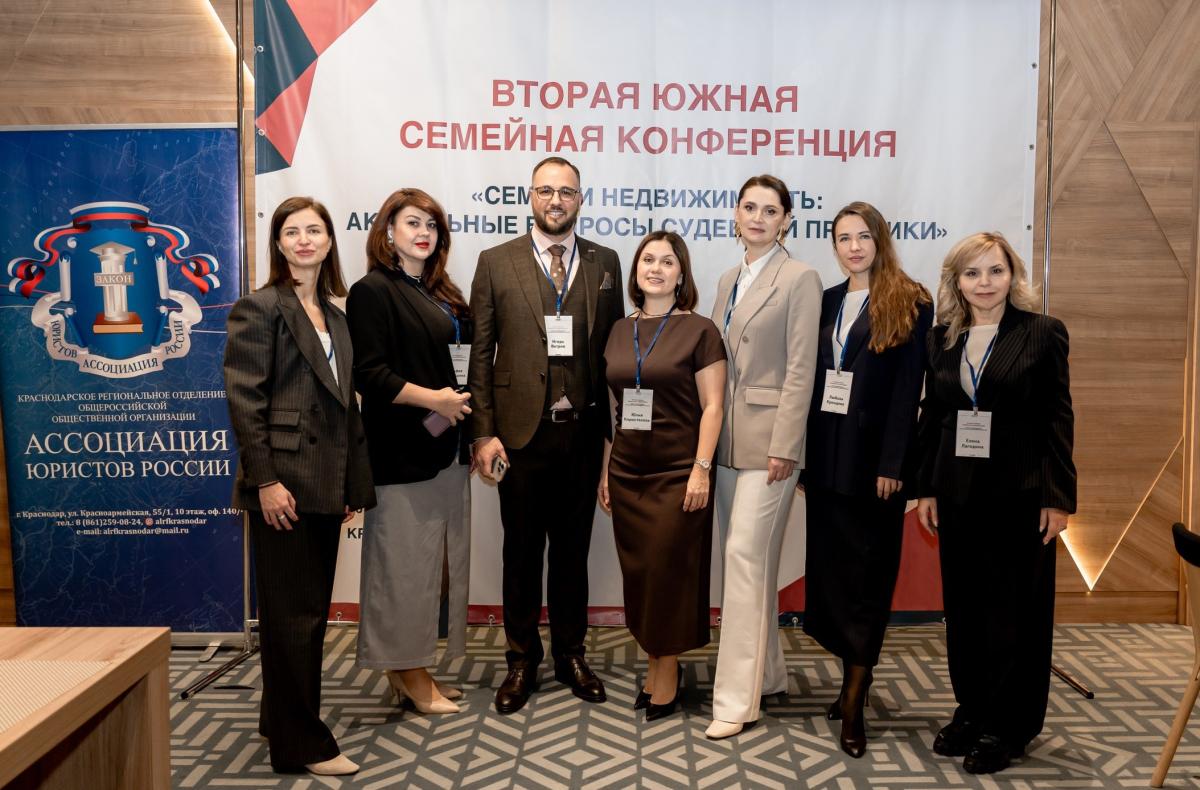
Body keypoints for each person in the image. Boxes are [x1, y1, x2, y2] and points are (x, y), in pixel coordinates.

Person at [224, 196, 374, 776]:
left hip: (322, 482)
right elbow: (245, 402)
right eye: (293, 231)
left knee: (304, 613)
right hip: (281, 486)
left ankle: (279, 720)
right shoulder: (259, 307)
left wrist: (349, 485)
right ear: (279, 243)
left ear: (330, 241)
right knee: (295, 619)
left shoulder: (336, 315)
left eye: (314, 230)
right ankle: (301, 745)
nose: (304, 239)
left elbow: (344, 408)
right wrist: (265, 480)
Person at [469, 156, 625, 714]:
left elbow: (614, 355)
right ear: (530, 197)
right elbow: (480, 356)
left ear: (580, 199)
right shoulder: (495, 261)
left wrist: (613, 444)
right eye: (545, 191)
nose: (555, 200)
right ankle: (520, 659)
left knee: (572, 554)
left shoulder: (606, 262)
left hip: (581, 435)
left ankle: (570, 654)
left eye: (566, 192)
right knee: (520, 553)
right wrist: (482, 435)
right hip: (519, 437)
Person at [916, 231, 1075, 775]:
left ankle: (1009, 725)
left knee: (1014, 612)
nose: (985, 283)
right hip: (957, 493)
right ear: (957, 281)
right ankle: (972, 709)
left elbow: (1058, 417)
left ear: (1012, 275)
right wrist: (926, 487)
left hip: (1021, 495)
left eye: (995, 271)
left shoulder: (1042, 333)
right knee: (964, 610)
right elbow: (935, 416)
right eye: (973, 273)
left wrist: (1058, 497)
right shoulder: (941, 339)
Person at [802, 201, 933, 757]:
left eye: (862, 236)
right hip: (826, 462)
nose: (853, 247)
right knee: (833, 578)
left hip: (875, 468)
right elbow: (811, 382)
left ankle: (855, 698)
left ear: (880, 239)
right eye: (843, 238)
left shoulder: (910, 300)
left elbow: (909, 390)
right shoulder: (827, 300)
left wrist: (893, 465)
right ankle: (849, 678)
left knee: (869, 581)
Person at [347, 188, 473, 715]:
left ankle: (413, 668)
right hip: (401, 453)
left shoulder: (440, 293)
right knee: (401, 568)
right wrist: (434, 400)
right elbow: (369, 374)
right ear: (388, 231)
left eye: (432, 225)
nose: (424, 233)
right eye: (413, 222)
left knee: (430, 569)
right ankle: (406, 672)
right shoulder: (372, 291)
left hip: (446, 447)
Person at [705, 175, 822, 739]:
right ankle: (768, 673)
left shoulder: (800, 277)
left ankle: (734, 701)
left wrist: (786, 445)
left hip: (770, 444)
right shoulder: (728, 279)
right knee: (752, 565)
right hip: (727, 441)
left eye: (770, 210)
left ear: (786, 221)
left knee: (744, 558)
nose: (757, 217)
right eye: (749, 207)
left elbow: (802, 368)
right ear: (735, 214)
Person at [598, 231, 726, 721]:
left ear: (681, 273)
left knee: (669, 574)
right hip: (627, 471)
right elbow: (614, 410)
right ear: (636, 272)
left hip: (678, 472)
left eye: (667, 261)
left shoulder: (700, 330)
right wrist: (606, 471)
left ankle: (667, 672)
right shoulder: (618, 329)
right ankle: (655, 666)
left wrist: (701, 469)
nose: (656, 268)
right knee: (641, 575)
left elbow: (713, 407)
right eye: (647, 260)